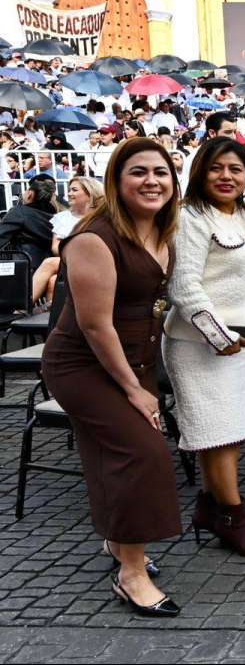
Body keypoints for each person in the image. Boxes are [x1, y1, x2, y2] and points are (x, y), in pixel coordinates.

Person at [42, 138, 183, 617]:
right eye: (138, 172)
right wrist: (133, 390)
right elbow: (95, 324)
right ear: (117, 182)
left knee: (110, 454)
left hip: (132, 361)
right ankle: (132, 573)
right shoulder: (93, 238)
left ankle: (118, 544)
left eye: (160, 172)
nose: (151, 181)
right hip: (83, 365)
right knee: (143, 454)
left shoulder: (163, 231)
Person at [164, 138, 245, 556]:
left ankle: (211, 510)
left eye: (236, 169)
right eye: (217, 168)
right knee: (217, 435)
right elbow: (184, 286)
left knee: (232, 431)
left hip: (240, 341)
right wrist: (219, 335)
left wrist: (238, 339)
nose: (227, 176)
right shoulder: (190, 216)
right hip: (199, 345)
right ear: (200, 172)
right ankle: (233, 518)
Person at [32, 176, 102, 304]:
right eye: (69, 190)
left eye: (74, 190)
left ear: (89, 193)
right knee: (53, 280)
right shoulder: (62, 218)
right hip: (68, 261)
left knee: (49, 263)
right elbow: (55, 247)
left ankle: (22, 307)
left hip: (98, 262)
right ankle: (50, 319)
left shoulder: (103, 217)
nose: (69, 194)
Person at [0, 175, 60, 271]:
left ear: (30, 194)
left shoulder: (20, 212)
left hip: (25, 267)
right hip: (51, 267)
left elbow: (1, 235)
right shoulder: (58, 216)